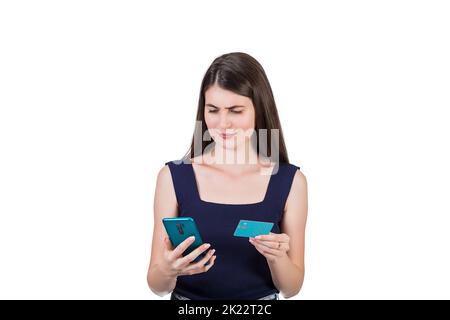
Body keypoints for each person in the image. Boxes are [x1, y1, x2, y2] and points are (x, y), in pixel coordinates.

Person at [147, 52, 308, 300]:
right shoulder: (172, 176)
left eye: (235, 110)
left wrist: (277, 258)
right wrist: (168, 270)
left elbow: (291, 288)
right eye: (213, 110)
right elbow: (157, 285)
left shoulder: (291, 181)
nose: (223, 123)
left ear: (258, 109)